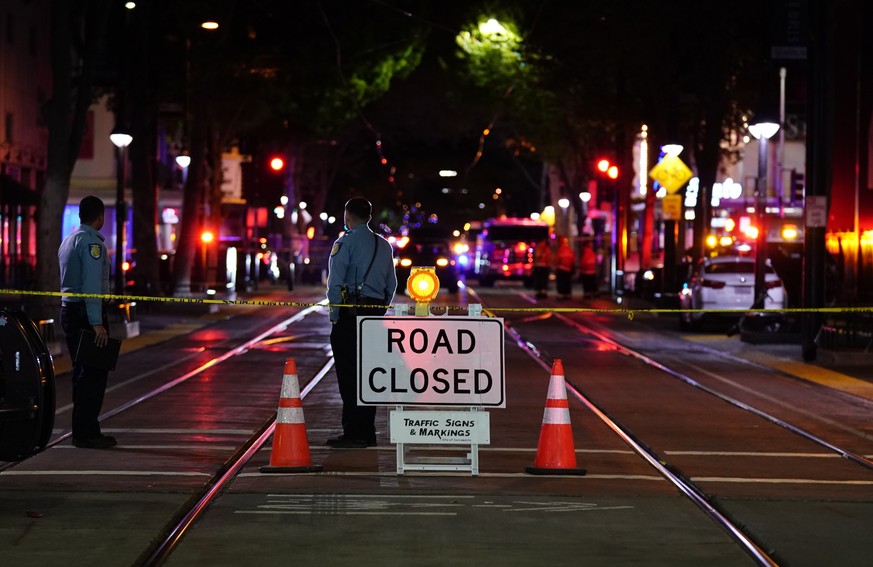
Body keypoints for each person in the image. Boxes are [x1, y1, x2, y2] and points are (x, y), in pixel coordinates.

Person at [325, 197, 397, 448]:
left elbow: (335, 285)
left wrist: (335, 316)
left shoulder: (344, 243)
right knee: (369, 374)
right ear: (369, 216)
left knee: (348, 373)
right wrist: (380, 310)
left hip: (350, 314)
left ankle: (354, 432)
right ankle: (367, 431)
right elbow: (392, 284)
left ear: (348, 216)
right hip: (374, 314)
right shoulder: (384, 245)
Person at [58, 196, 116, 449]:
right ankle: (87, 432)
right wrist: (96, 322)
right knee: (94, 373)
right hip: (85, 314)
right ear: (100, 216)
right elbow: (91, 285)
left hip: (69, 311)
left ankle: (83, 429)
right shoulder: (92, 243)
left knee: (81, 373)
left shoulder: (68, 240)